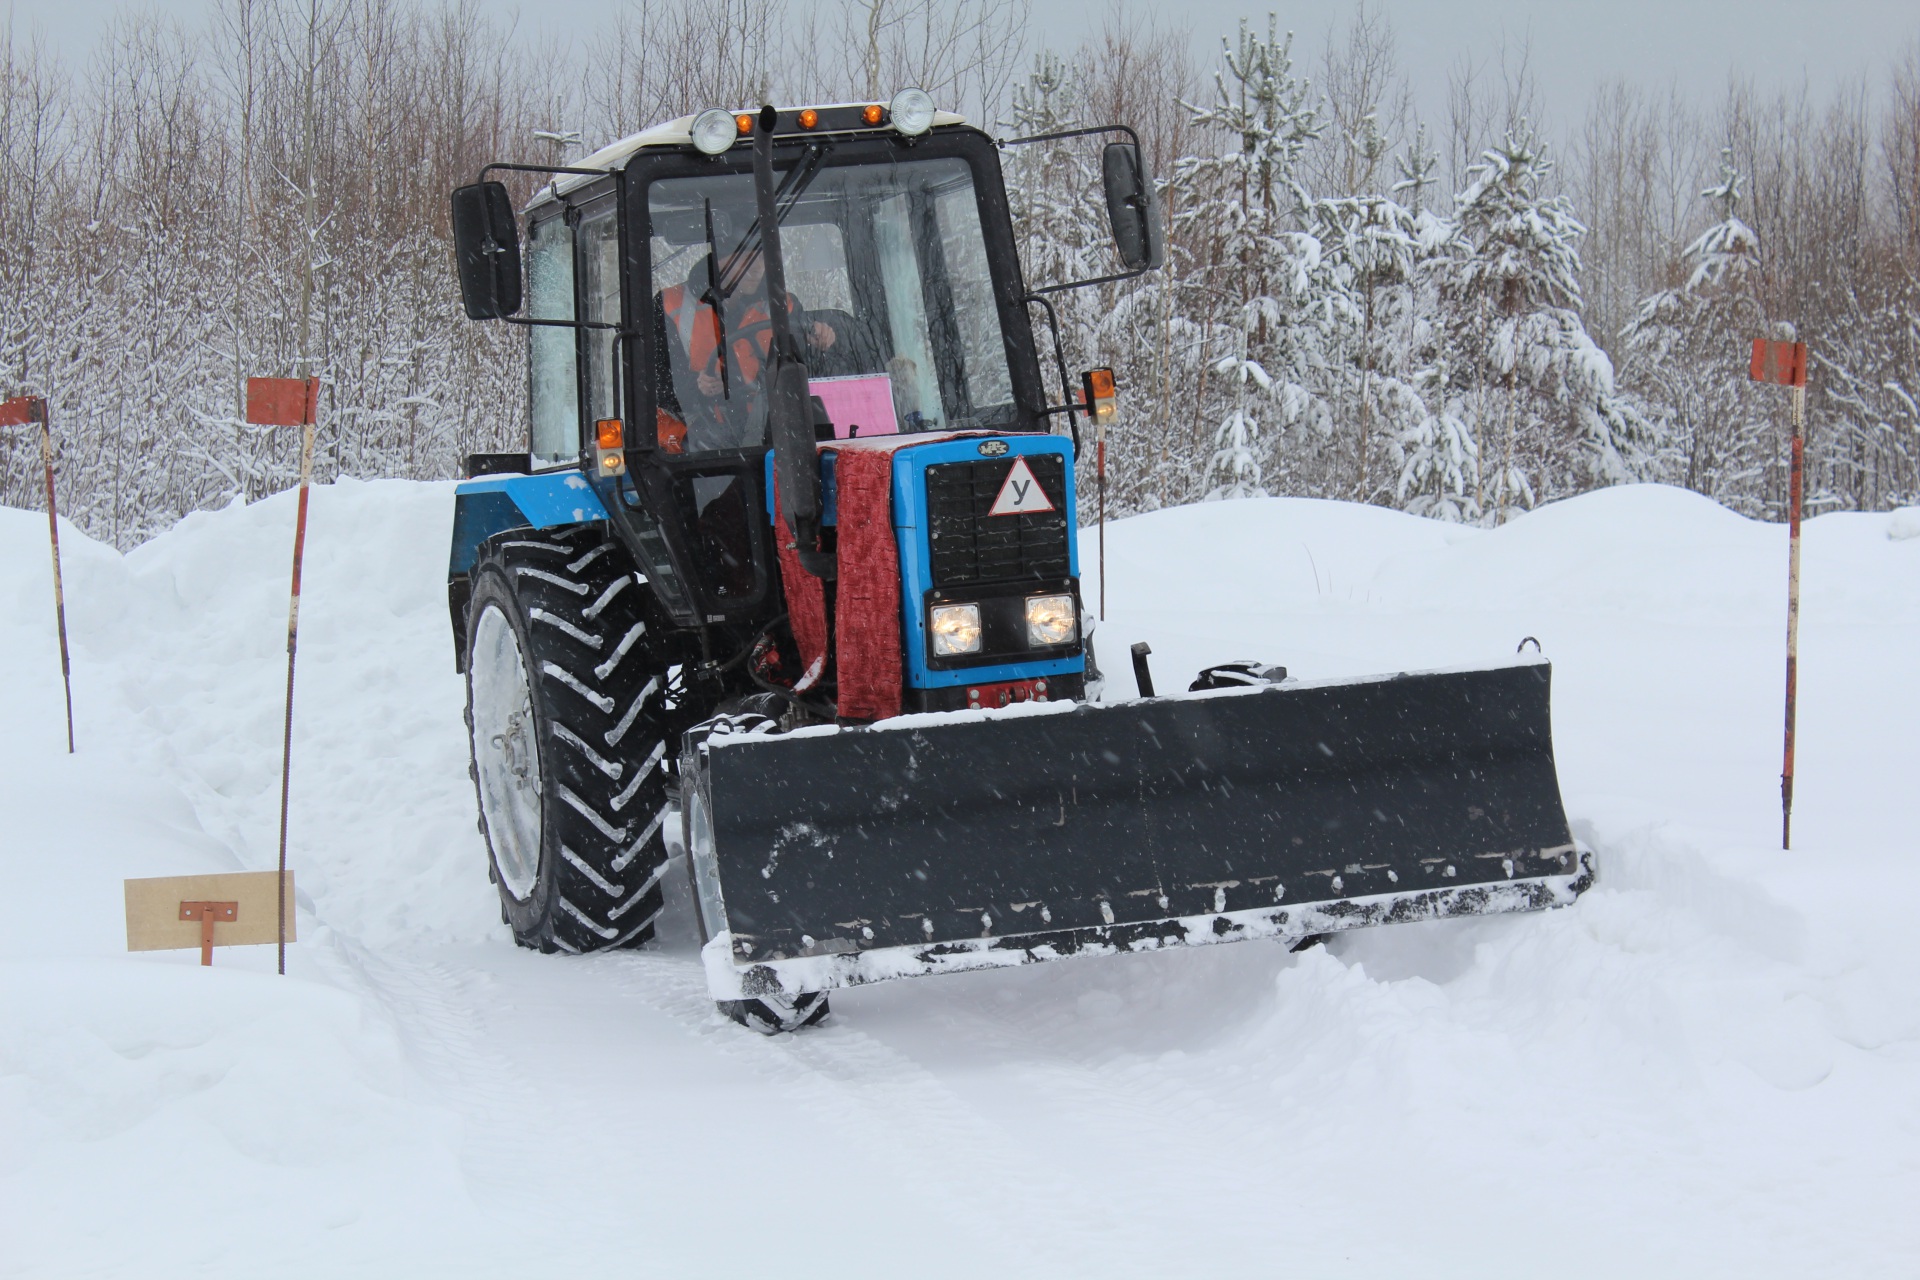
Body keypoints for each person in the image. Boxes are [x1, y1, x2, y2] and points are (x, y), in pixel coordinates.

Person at [654, 249, 838, 453]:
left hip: (772, 426)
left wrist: (818, 338)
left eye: (760, 256)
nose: (756, 268)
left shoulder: (782, 303)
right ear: (719, 258)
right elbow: (658, 386)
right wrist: (697, 388)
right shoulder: (670, 305)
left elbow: (807, 365)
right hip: (698, 429)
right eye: (742, 256)